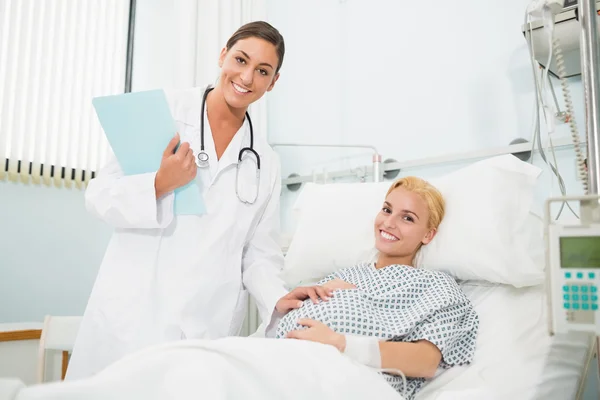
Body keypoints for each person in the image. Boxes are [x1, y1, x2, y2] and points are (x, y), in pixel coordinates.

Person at [67, 21, 331, 380]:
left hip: (205, 323)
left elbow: (259, 253)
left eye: (263, 71)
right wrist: (159, 184)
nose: (247, 77)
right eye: (240, 60)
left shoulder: (265, 160)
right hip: (135, 312)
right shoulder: (164, 112)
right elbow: (98, 197)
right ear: (223, 55)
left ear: (274, 82)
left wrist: (276, 299)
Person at [271, 177, 480, 400]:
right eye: (387, 210)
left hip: (344, 380)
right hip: (284, 362)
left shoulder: (436, 286)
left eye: (407, 218)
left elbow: (425, 361)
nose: (389, 223)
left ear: (428, 235)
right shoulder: (343, 274)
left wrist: (340, 343)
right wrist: (284, 308)